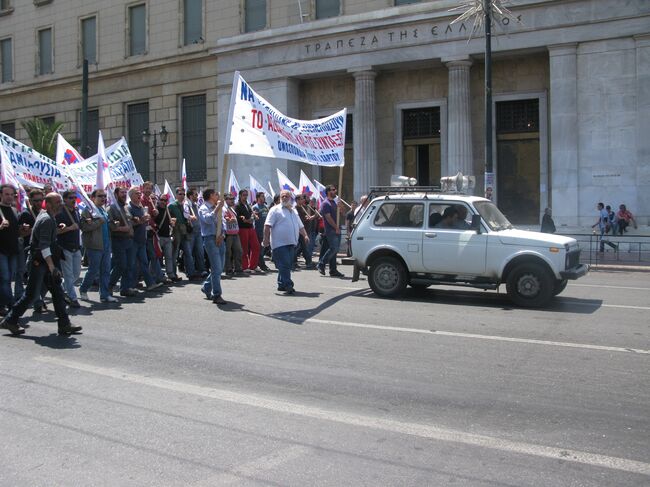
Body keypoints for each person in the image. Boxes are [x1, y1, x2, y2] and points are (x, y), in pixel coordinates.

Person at [1, 192, 82, 336]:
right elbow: (43, 246)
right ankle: (11, 320)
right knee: (31, 295)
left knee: (57, 292)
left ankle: (64, 324)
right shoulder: (46, 219)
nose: (61, 205)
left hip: (46, 261)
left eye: (61, 201)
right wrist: (52, 267)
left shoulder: (50, 217)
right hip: (40, 262)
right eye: (57, 202)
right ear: (49, 204)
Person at [263, 190, 310, 295]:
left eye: (286, 196)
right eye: (282, 196)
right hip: (279, 243)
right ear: (280, 198)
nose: (284, 198)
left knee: (286, 264)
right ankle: (288, 285)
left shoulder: (293, 210)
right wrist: (265, 239)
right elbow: (267, 225)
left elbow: (300, 225)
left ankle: (281, 284)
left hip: (292, 243)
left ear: (290, 198)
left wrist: (305, 235)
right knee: (285, 264)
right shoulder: (274, 210)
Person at [79, 189, 116, 303]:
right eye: (100, 196)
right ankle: (83, 289)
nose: (103, 198)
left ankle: (104, 294)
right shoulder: (87, 211)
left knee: (105, 270)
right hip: (94, 245)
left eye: (104, 196)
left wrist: (113, 224)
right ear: (92, 198)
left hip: (106, 244)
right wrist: (99, 222)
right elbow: (84, 227)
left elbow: (107, 225)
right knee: (93, 270)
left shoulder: (104, 210)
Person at [127, 187, 162, 292]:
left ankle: (149, 283)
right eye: (137, 193)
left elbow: (145, 221)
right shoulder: (129, 208)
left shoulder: (141, 207)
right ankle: (129, 285)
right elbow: (130, 223)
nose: (139, 195)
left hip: (142, 239)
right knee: (132, 264)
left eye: (139, 193)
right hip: (133, 240)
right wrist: (141, 220)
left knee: (144, 262)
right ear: (131, 195)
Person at [198, 189, 227, 305]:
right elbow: (208, 220)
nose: (218, 196)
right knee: (216, 268)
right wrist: (217, 208)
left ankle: (206, 287)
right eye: (216, 194)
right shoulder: (203, 208)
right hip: (210, 239)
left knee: (219, 268)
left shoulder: (218, 207)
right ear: (210, 196)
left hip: (220, 238)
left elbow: (223, 223)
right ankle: (217, 294)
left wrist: (222, 234)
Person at [108, 186, 137, 296]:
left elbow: (129, 222)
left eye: (125, 192)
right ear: (115, 194)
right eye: (122, 192)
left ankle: (125, 288)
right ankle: (110, 285)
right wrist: (120, 228)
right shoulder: (111, 208)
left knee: (129, 265)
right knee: (121, 265)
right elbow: (109, 225)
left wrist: (136, 220)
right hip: (118, 240)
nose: (124, 195)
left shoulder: (125, 207)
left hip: (129, 240)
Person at [56, 190, 82, 307]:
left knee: (76, 274)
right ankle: (72, 298)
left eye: (74, 198)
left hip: (76, 247)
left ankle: (61, 289)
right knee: (68, 275)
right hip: (65, 247)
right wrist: (69, 228)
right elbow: (56, 231)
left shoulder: (76, 212)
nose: (73, 200)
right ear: (64, 199)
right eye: (70, 198)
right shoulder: (60, 213)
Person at [0, 184, 20, 316]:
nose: (9, 197)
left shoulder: (14, 211)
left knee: (9, 278)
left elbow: (16, 232)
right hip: (1, 250)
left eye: (11, 194)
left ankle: (2, 304)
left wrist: (24, 229)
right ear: (1, 195)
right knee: (5, 278)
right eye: (6, 194)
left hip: (13, 250)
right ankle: (11, 304)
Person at [168, 187, 196, 280]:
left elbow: (188, 215)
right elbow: (168, 218)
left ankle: (191, 273)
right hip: (176, 230)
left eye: (183, 194)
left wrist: (191, 217)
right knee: (175, 253)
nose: (182, 196)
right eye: (180, 194)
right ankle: (173, 274)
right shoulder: (171, 205)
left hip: (185, 230)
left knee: (188, 252)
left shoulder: (186, 205)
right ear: (176, 195)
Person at [317, 184, 344, 278]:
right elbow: (328, 218)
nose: (335, 191)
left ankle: (333, 270)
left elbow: (342, 214)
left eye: (335, 189)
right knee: (334, 248)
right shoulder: (326, 203)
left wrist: (341, 207)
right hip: (331, 230)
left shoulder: (335, 203)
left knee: (334, 250)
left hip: (337, 228)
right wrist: (336, 227)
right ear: (328, 192)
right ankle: (321, 263)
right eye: (333, 189)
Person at [235, 189, 261, 272]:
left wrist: (254, 216)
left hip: (250, 228)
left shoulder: (248, 204)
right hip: (243, 228)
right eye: (244, 195)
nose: (245, 196)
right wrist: (246, 220)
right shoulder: (237, 205)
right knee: (244, 248)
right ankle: (244, 266)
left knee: (256, 246)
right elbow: (237, 217)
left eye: (246, 195)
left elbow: (251, 213)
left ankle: (253, 265)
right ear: (239, 195)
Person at [154, 195, 176, 283]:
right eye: (162, 200)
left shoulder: (168, 210)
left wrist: (173, 222)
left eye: (165, 200)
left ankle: (170, 274)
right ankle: (156, 275)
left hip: (167, 236)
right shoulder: (155, 210)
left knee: (169, 257)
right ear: (158, 200)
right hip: (158, 237)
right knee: (156, 257)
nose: (163, 202)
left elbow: (172, 221)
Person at [185, 188, 206, 277]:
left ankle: (201, 270)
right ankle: (190, 272)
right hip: (191, 232)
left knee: (200, 252)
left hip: (198, 231)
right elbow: (185, 214)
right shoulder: (187, 204)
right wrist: (190, 217)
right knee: (189, 253)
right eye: (195, 195)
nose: (197, 197)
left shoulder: (196, 204)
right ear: (190, 196)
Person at [223, 194, 243, 277]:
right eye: (230, 199)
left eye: (233, 199)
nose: (232, 200)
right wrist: (230, 219)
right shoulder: (224, 208)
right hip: (228, 234)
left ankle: (238, 268)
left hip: (235, 232)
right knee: (228, 252)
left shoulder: (232, 208)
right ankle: (228, 269)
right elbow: (225, 218)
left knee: (238, 251)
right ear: (226, 199)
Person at [295, 194, 316, 268]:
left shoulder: (303, 207)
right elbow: (299, 220)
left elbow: (308, 215)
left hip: (305, 230)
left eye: (302, 199)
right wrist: (306, 218)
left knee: (301, 247)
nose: (303, 200)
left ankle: (294, 261)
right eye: (301, 199)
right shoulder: (296, 208)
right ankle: (308, 262)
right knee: (304, 247)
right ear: (297, 200)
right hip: (299, 230)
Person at [252, 191, 270, 272]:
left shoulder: (266, 207)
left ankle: (260, 263)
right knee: (260, 249)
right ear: (258, 198)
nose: (264, 198)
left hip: (265, 231)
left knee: (263, 249)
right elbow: (253, 219)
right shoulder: (255, 207)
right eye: (262, 196)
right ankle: (261, 265)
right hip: (258, 231)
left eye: (264, 196)